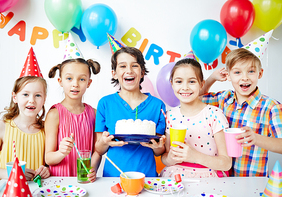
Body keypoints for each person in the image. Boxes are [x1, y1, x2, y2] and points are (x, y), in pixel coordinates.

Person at [202, 48, 282, 177]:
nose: (244, 78)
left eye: (251, 71)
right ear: (228, 75)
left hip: (252, 180)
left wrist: (256, 138)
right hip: (222, 178)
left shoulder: (271, 107)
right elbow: (196, 96)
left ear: (260, 74)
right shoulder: (223, 99)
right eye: (237, 72)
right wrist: (212, 78)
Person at [95, 47, 166, 177]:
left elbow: (159, 151)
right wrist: (104, 142)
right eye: (122, 66)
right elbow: (99, 149)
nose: (129, 71)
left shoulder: (157, 105)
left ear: (142, 72)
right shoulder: (105, 103)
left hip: (147, 176)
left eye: (134, 65)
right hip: (113, 177)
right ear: (114, 73)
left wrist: (158, 146)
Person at [160, 58, 232, 179]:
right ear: (172, 84)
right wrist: (170, 158)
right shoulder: (170, 116)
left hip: (207, 178)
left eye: (192, 81)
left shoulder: (214, 115)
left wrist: (194, 156)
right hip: (174, 176)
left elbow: (226, 163)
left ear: (201, 84)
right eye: (179, 81)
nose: (185, 87)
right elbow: (165, 158)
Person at [45, 58, 101, 182]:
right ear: (60, 81)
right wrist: (61, 152)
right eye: (69, 78)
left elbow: (97, 151)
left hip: (84, 180)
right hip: (59, 183)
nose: (75, 84)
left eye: (82, 79)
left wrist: (93, 169)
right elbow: (48, 158)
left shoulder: (94, 113)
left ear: (89, 83)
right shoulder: (54, 114)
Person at [0, 76, 50, 184]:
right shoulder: (1, 128)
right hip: (6, 192)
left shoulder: (47, 129)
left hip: (35, 192)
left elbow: (49, 162)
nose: (31, 100)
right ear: (15, 97)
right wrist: (12, 173)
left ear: (44, 99)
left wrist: (47, 169)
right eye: (25, 94)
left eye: (38, 95)